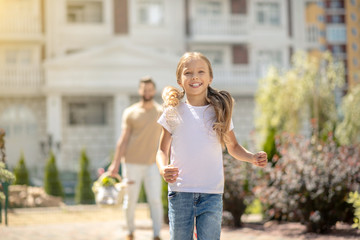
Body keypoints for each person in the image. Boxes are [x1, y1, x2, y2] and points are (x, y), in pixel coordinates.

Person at [156, 52, 268, 240]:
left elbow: (233, 146)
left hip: (211, 193)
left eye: (201, 72)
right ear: (179, 79)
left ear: (210, 78)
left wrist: (251, 157)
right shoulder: (172, 112)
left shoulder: (219, 112)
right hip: (180, 192)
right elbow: (161, 150)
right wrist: (163, 168)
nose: (195, 77)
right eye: (188, 73)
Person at [108, 77, 163, 240]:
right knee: (130, 200)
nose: (147, 92)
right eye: (144, 89)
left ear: (154, 91)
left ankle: (157, 234)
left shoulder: (161, 112)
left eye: (150, 89)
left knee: (155, 200)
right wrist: (114, 164)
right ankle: (130, 232)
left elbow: (168, 138)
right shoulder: (130, 112)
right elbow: (123, 140)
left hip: (153, 164)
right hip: (131, 164)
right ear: (140, 91)